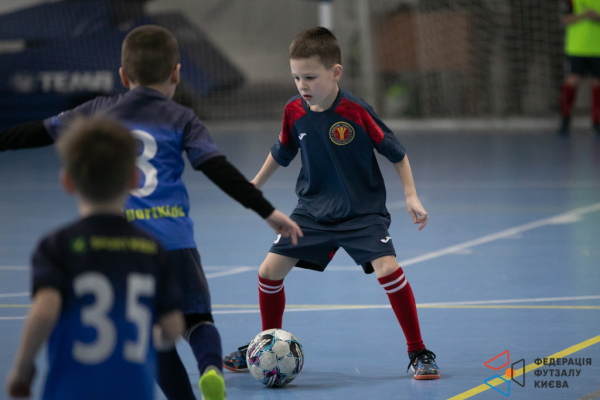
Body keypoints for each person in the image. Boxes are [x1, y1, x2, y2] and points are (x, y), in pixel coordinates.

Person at [0, 25, 303, 400]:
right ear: (176, 73)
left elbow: (37, 132)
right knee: (197, 318)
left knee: (152, 332)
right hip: (174, 240)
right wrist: (267, 211)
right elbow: (217, 168)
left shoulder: (99, 110)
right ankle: (210, 368)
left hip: (124, 240)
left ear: (123, 76)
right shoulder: (182, 118)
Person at [222, 27, 440, 380]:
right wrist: (254, 186)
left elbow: (396, 153)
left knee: (388, 269)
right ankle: (265, 344)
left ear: (335, 72)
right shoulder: (294, 111)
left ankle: (418, 351)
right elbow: (282, 151)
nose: (302, 85)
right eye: (296, 77)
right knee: (268, 272)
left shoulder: (356, 111)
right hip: (312, 212)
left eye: (310, 77)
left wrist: (411, 195)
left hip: (362, 214)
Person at [6, 116, 185, 400]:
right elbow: (172, 328)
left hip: (71, 391)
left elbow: (44, 312)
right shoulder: (151, 249)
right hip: (133, 391)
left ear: (67, 181)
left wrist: (22, 368)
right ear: (134, 179)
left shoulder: (57, 246)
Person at [559, 0, 600, 136]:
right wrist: (584, 15)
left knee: (597, 84)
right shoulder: (572, 1)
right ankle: (565, 120)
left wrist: (596, 17)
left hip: (597, 49)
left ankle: (597, 122)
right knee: (572, 81)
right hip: (576, 48)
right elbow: (565, 19)